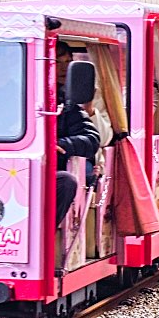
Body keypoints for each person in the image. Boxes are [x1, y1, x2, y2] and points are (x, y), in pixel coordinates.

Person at [54, 41, 100, 228]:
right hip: (12, 172)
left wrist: (61, 144)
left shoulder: (67, 104)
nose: (64, 68)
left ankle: (43, 236)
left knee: (67, 182)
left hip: (50, 170)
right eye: (57, 62)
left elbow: (91, 139)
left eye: (68, 62)